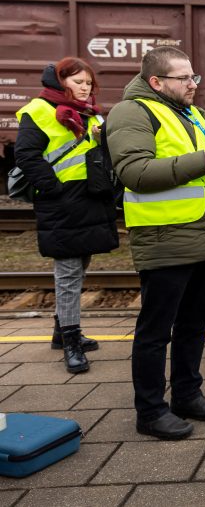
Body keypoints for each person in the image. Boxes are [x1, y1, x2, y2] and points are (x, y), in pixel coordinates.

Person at [107, 46, 205, 440]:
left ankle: (188, 394)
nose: (193, 84)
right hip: (164, 240)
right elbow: (134, 172)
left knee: (194, 325)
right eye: (184, 79)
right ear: (157, 82)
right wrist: (204, 159)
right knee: (156, 331)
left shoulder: (196, 112)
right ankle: (151, 410)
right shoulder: (132, 112)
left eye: (194, 77)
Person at [13, 57, 119, 374]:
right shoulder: (40, 111)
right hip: (63, 202)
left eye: (88, 83)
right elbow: (26, 155)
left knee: (81, 264)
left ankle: (63, 333)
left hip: (87, 200)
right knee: (69, 274)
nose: (85, 88)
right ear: (61, 83)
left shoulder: (90, 113)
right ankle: (71, 344)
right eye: (78, 82)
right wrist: (53, 189)